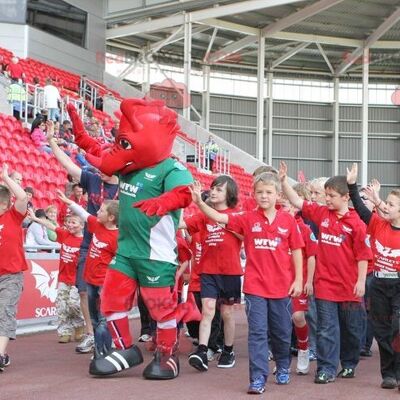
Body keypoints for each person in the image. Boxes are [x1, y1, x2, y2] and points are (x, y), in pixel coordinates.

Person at [190, 172, 303, 394]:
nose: (264, 196)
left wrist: (298, 279)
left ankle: (282, 366)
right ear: (253, 194)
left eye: (269, 192)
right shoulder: (247, 218)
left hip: (281, 288)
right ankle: (258, 378)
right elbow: (221, 218)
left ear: (277, 195)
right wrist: (199, 203)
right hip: (254, 288)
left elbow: (297, 249)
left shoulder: (288, 220)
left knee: (281, 332)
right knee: (258, 333)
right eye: (259, 192)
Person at [279, 161, 372, 384]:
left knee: (350, 330)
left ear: (345, 198)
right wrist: (283, 182)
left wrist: (360, 281)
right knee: (326, 329)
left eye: (331, 195)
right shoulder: (321, 214)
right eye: (326, 194)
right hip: (325, 286)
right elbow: (296, 200)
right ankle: (326, 369)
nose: (327, 199)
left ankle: (348, 364)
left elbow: (363, 256)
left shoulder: (356, 224)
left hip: (349, 288)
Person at [46, 119, 119, 354]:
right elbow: (68, 164)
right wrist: (51, 142)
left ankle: (111, 335)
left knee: (108, 295)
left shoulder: (125, 187)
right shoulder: (92, 179)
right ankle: (91, 333)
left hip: (114, 248)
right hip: (89, 245)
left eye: (104, 163)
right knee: (84, 290)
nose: (98, 167)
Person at [347, 163, 400, 390]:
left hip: (398, 285)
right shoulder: (377, 224)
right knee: (381, 332)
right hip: (378, 284)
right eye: (386, 203)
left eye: (391, 204)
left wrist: (378, 201)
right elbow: (360, 208)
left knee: (397, 328)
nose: (385, 207)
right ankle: (388, 375)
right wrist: (352, 185)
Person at [181, 175, 242, 372]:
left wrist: (199, 202)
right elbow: (182, 224)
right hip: (208, 272)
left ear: (229, 194)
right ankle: (202, 351)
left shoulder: (237, 215)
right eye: (213, 188)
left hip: (230, 273)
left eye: (219, 189)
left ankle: (228, 350)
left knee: (226, 313)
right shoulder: (203, 216)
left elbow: (242, 235)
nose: (213, 192)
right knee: (207, 312)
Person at [56, 190, 118, 357]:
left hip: (103, 282)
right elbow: (83, 214)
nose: (97, 212)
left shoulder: (116, 237)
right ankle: (99, 344)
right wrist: (68, 202)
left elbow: (119, 258)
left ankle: (105, 348)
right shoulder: (97, 225)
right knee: (94, 316)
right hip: (89, 279)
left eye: (102, 211)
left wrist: (110, 273)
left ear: (111, 217)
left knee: (103, 316)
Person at [29, 210, 85, 343]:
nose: (70, 225)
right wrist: (35, 219)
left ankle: (79, 326)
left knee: (74, 304)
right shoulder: (65, 235)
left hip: (77, 279)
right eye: (68, 222)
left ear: (82, 225)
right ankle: (64, 332)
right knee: (62, 305)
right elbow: (50, 226)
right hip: (63, 278)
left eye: (73, 222)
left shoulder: (84, 242)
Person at [281, 194, 317, 375]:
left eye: (287, 206)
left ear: (295, 208)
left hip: (298, 281)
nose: (283, 209)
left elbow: (311, 256)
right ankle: (282, 361)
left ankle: (304, 348)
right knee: (280, 322)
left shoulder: (304, 228)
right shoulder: (276, 225)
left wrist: (308, 281)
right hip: (278, 282)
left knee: (297, 317)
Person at [0, 163, 28, 372]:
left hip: (11, 276)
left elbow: (23, 198)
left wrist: (6, 178)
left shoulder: (12, 216)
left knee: (5, 312)